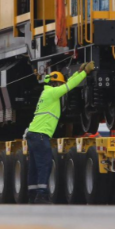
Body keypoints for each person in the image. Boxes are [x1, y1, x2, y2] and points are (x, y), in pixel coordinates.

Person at [25, 63, 95, 204]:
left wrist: (78, 72)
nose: (61, 86)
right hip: (40, 135)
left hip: (33, 134)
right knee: (45, 164)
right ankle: (42, 195)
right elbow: (69, 86)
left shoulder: (47, 93)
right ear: (55, 83)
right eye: (59, 83)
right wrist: (84, 73)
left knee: (34, 166)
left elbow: (67, 83)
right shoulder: (52, 93)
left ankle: (32, 195)